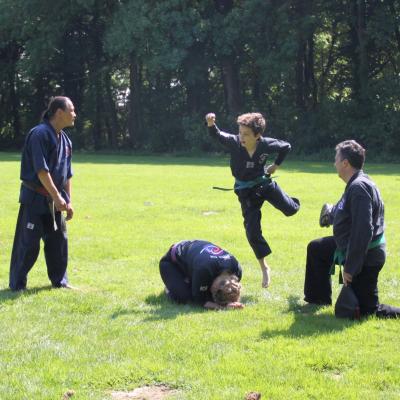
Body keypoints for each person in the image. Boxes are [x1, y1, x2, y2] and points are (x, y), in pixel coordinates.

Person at [304, 140, 400, 318]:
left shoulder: (358, 188)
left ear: (345, 163)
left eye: (336, 159)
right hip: (353, 247)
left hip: (367, 256)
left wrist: (350, 267)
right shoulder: (356, 183)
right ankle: (318, 299)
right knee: (317, 248)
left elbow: (363, 231)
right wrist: (330, 213)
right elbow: (344, 210)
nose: (334, 163)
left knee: (367, 310)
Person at [206, 112, 300, 288]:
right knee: (252, 231)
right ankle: (264, 267)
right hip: (246, 192)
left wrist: (275, 165)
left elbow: (285, 146)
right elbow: (217, 135)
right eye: (240, 132)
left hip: (264, 184)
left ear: (258, 135)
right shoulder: (235, 143)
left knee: (291, 209)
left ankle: (293, 202)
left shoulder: (265, 144)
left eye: (246, 134)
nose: (241, 137)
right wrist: (211, 123)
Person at [9, 96, 76, 291]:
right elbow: (41, 170)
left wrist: (68, 200)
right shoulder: (39, 134)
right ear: (59, 112)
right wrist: (57, 197)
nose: (75, 114)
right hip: (35, 198)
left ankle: (60, 281)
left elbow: (67, 174)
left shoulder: (66, 140)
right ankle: (17, 285)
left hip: (56, 198)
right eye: (71, 110)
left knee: (58, 242)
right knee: (28, 244)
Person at [159, 240, 244, 310]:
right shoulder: (204, 270)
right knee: (186, 298)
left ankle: (186, 282)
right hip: (171, 262)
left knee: (203, 291)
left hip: (192, 254)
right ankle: (169, 289)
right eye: (213, 292)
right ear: (219, 287)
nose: (211, 291)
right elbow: (199, 301)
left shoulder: (237, 270)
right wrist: (222, 307)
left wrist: (231, 300)